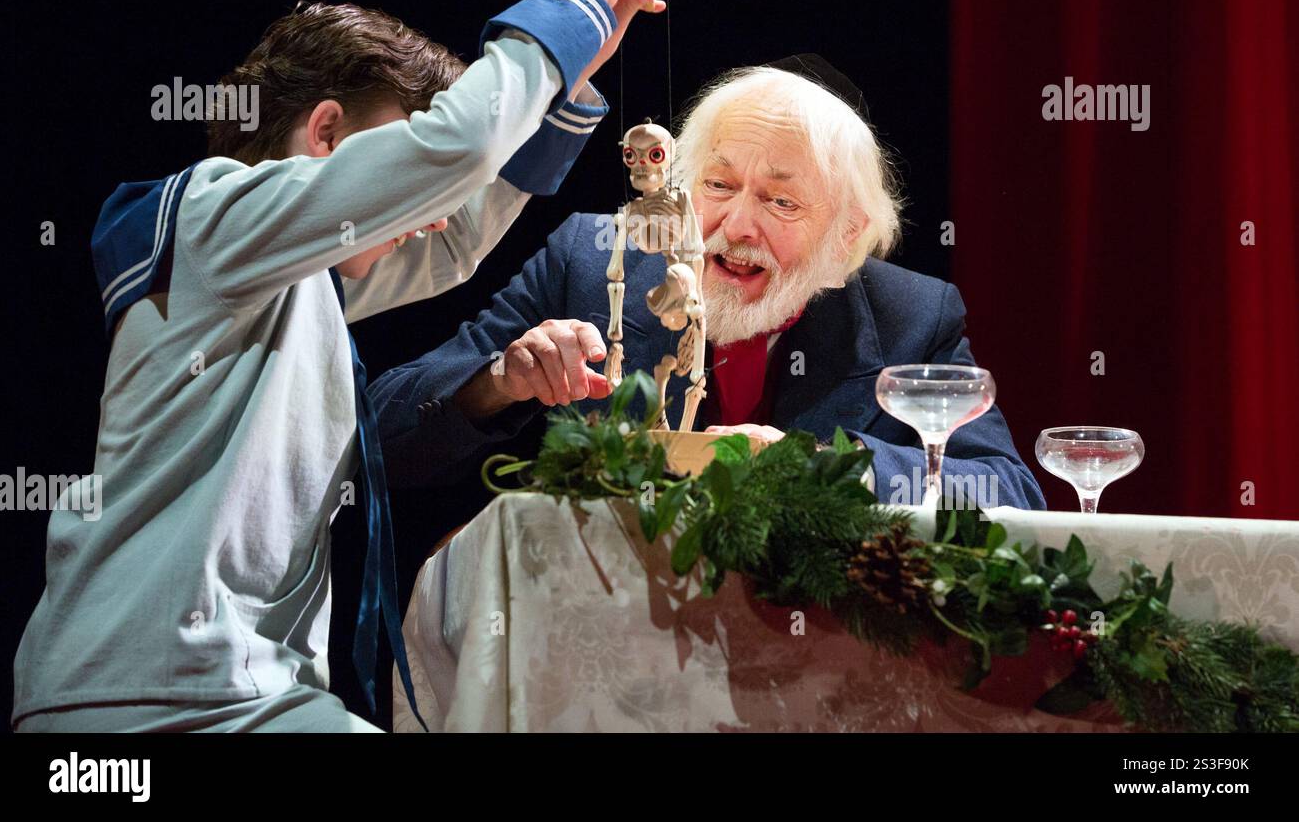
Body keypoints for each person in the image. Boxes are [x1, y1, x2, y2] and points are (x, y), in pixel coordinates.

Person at [12, 0, 670, 733]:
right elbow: (458, 152)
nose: (428, 207)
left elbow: (455, 233)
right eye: (403, 152)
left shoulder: (293, 278)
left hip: (223, 697)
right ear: (327, 132)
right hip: (142, 703)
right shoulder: (216, 217)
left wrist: (573, 71)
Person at [370, 59, 1047, 545]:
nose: (737, 225)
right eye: (718, 184)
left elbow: (1008, 495)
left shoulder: (913, 316)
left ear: (846, 237)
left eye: (781, 200)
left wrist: (806, 465)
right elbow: (383, 436)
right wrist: (497, 383)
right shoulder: (588, 257)